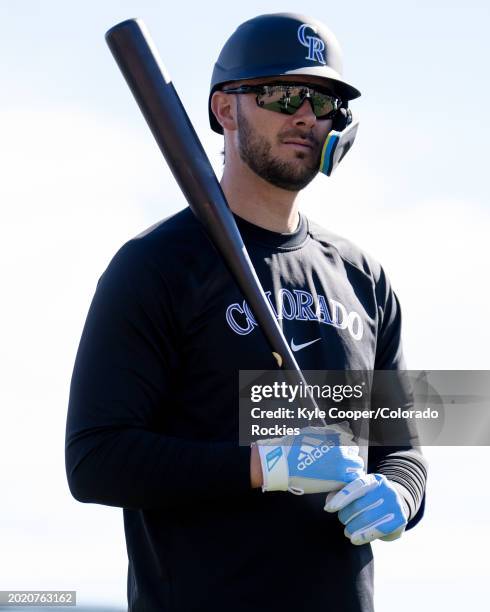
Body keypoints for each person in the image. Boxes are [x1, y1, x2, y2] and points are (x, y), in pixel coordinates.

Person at [66, 13, 427, 612]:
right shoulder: (158, 265)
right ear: (224, 109)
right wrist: (266, 464)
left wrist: (398, 496)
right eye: (282, 94)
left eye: (324, 100)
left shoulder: (365, 279)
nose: (306, 115)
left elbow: (402, 450)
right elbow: (95, 458)